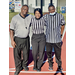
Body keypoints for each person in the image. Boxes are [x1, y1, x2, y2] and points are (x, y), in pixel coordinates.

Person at [10, 5, 32, 75]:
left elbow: (38, 17)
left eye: (27, 10)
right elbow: (11, 30)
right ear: (21, 9)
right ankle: (18, 68)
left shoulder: (30, 16)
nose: (25, 11)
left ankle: (24, 65)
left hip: (26, 39)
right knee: (17, 55)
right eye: (24, 9)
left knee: (26, 54)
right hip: (17, 39)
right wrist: (12, 40)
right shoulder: (15, 18)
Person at [43, 4, 65, 71]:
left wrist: (61, 34)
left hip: (57, 39)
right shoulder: (46, 16)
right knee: (49, 53)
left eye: (52, 9)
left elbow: (63, 25)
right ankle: (50, 65)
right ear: (48, 10)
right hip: (48, 39)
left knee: (58, 54)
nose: (51, 11)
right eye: (50, 10)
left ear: (55, 9)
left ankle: (59, 65)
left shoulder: (60, 16)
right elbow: (40, 21)